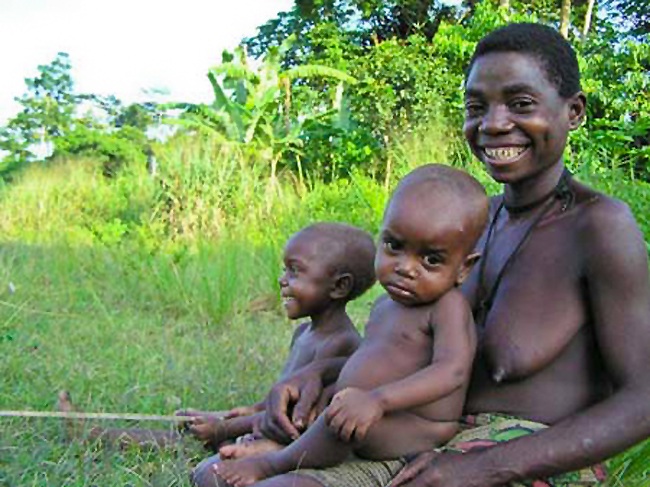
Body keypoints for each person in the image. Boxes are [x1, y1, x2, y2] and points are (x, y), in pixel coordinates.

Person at [227, 23, 650, 487]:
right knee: (233, 476)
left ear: (574, 111)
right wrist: (321, 373)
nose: (493, 124)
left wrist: (482, 468)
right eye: (476, 107)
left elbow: (643, 400)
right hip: (424, 436)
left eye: (521, 104)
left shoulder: (600, 226)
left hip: (526, 455)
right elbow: (413, 348)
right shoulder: (468, 225)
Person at [196, 164, 489, 486]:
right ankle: (274, 443)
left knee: (339, 417)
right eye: (394, 246)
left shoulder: (448, 307)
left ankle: (274, 462)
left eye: (431, 260)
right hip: (370, 412)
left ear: (464, 268)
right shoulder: (385, 305)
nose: (406, 268)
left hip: (416, 427)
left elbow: (451, 371)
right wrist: (325, 375)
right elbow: (373, 361)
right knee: (326, 408)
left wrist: (377, 400)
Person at [61, 222, 376, 454]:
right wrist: (244, 411)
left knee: (195, 445)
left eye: (294, 271)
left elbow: (298, 417)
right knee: (187, 439)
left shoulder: (342, 344)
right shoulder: (304, 333)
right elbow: (280, 399)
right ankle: (95, 434)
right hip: (266, 428)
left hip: (290, 444)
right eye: (284, 270)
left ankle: (94, 435)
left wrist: (223, 427)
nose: (282, 280)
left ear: (339, 287)